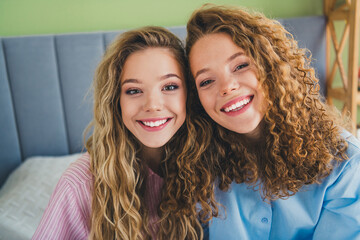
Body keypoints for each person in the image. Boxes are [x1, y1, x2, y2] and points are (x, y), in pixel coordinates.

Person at [185, 4, 360, 240]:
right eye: (206, 81)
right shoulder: (197, 164)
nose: (227, 87)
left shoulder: (345, 164)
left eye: (240, 66)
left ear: (272, 66)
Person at [33, 26, 208, 240]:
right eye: (133, 91)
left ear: (189, 94)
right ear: (116, 102)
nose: (152, 105)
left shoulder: (210, 168)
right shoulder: (80, 184)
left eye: (170, 86)